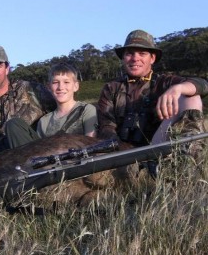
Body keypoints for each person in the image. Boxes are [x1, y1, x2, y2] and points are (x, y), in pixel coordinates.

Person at [86, 29, 208, 187]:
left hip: (159, 148)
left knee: (192, 96)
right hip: (123, 154)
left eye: (142, 53)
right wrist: (124, 153)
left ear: (152, 58)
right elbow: (106, 126)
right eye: (129, 53)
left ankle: (187, 165)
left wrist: (177, 89)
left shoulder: (164, 81)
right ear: (123, 58)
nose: (135, 58)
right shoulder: (111, 88)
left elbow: (203, 85)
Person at [3, 62, 98, 148]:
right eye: (56, 82)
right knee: (13, 124)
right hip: (47, 163)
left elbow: (90, 144)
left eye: (66, 82)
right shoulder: (44, 121)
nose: (61, 87)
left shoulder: (87, 110)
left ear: (76, 86)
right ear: (49, 87)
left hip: (79, 162)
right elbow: (37, 149)